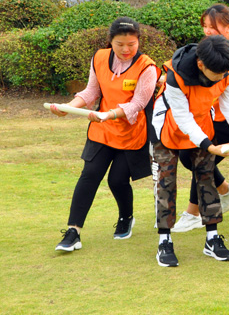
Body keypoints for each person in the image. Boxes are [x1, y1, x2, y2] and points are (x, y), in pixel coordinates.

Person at [151, 35, 229, 267]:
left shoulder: (228, 71)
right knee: (166, 181)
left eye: (226, 73)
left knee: (206, 177)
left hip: (202, 122)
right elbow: (182, 118)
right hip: (168, 127)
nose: (223, 78)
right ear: (201, 65)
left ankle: (212, 239)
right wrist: (210, 146)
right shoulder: (176, 77)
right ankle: (164, 241)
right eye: (218, 75)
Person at [52, 17, 157, 252]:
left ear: (138, 41)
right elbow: (91, 91)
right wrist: (69, 108)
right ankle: (73, 232)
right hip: (103, 129)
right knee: (89, 175)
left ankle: (126, 217)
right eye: (120, 44)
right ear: (111, 41)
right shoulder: (99, 57)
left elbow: (138, 104)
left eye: (132, 44)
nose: (126, 49)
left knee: (117, 180)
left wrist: (108, 114)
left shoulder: (147, 67)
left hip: (131, 132)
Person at [171, 4, 229, 232]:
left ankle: (193, 211)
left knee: (202, 162)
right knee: (192, 160)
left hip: (228, 120)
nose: (207, 31)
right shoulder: (205, 51)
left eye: (212, 27)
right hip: (207, 117)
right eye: (205, 27)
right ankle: (225, 189)